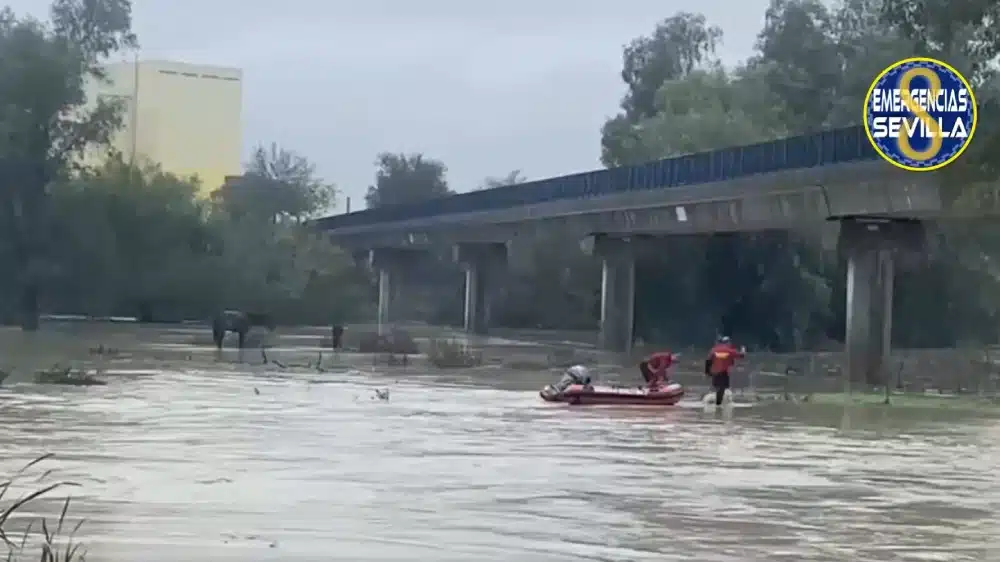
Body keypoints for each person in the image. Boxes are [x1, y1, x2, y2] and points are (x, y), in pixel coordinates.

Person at [704, 336, 745, 406]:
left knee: (718, 388)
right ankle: (718, 404)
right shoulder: (729, 350)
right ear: (728, 343)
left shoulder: (714, 350)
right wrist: (743, 349)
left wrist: (707, 372)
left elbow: (708, 361)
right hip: (724, 373)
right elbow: (741, 355)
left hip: (715, 373)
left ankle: (715, 401)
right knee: (723, 389)